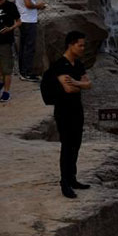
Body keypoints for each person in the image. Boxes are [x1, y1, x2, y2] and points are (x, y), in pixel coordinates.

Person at [51, 31, 92, 199]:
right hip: (63, 110)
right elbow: (69, 88)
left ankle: (72, 178)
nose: (83, 48)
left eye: (83, 45)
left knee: (76, 144)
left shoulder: (78, 64)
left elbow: (88, 84)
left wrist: (77, 83)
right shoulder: (60, 65)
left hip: (77, 109)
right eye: (80, 45)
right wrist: (79, 85)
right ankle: (64, 182)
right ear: (70, 44)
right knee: (67, 146)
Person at [14, 0, 46, 81]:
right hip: (29, 21)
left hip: (23, 19)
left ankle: (22, 71)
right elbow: (28, 4)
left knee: (23, 46)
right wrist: (39, 6)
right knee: (29, 47)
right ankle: (26, 73)